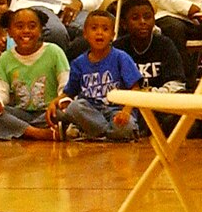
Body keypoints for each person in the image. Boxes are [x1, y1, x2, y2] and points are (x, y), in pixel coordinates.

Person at [0, 7, 69, 141]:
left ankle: (9, 128)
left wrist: (59, 103)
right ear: (9, 32)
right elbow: (1, 91)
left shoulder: (54, 52)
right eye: (19, 26)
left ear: (40, 30)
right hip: (21, 113)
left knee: (69, 112)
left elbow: (65, 87)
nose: (26, 31)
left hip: (49, 113)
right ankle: (37, 133)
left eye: (32, 26)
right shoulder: (5, 57)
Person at [59, 9, 142, 141]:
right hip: (91, 110)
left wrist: (126, 112)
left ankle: (94, 133)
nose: (99, 32)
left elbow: (135, 89)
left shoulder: (121, 57)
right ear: (85, 34)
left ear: (112, 35)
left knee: (126, 127)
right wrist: (54, 102)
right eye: (94, 28)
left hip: (117, 110)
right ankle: (110, 135)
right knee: (73, 107)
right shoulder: (79, 63)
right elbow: (69, 92)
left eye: (105, 29)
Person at [116, 0, 187, 94]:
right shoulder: (118, 48)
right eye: (135, 18)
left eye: (147, 17)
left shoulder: (165, 45)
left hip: (160, 102)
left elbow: (177, 83)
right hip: (127, 104)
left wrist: (152, 94)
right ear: (124, 24)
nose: (142, 22)